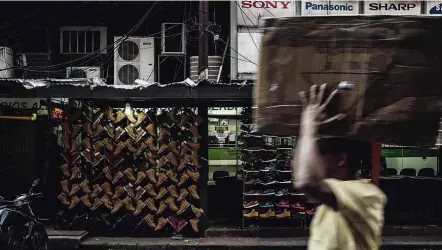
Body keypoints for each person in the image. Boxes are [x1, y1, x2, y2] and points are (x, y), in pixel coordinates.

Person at [292, 83, 387, 250]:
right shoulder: (327, 206)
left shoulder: (367, 195)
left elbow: (304, 181)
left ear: (340, 159)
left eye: (318, 156)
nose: (312, 162)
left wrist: (307, 128)